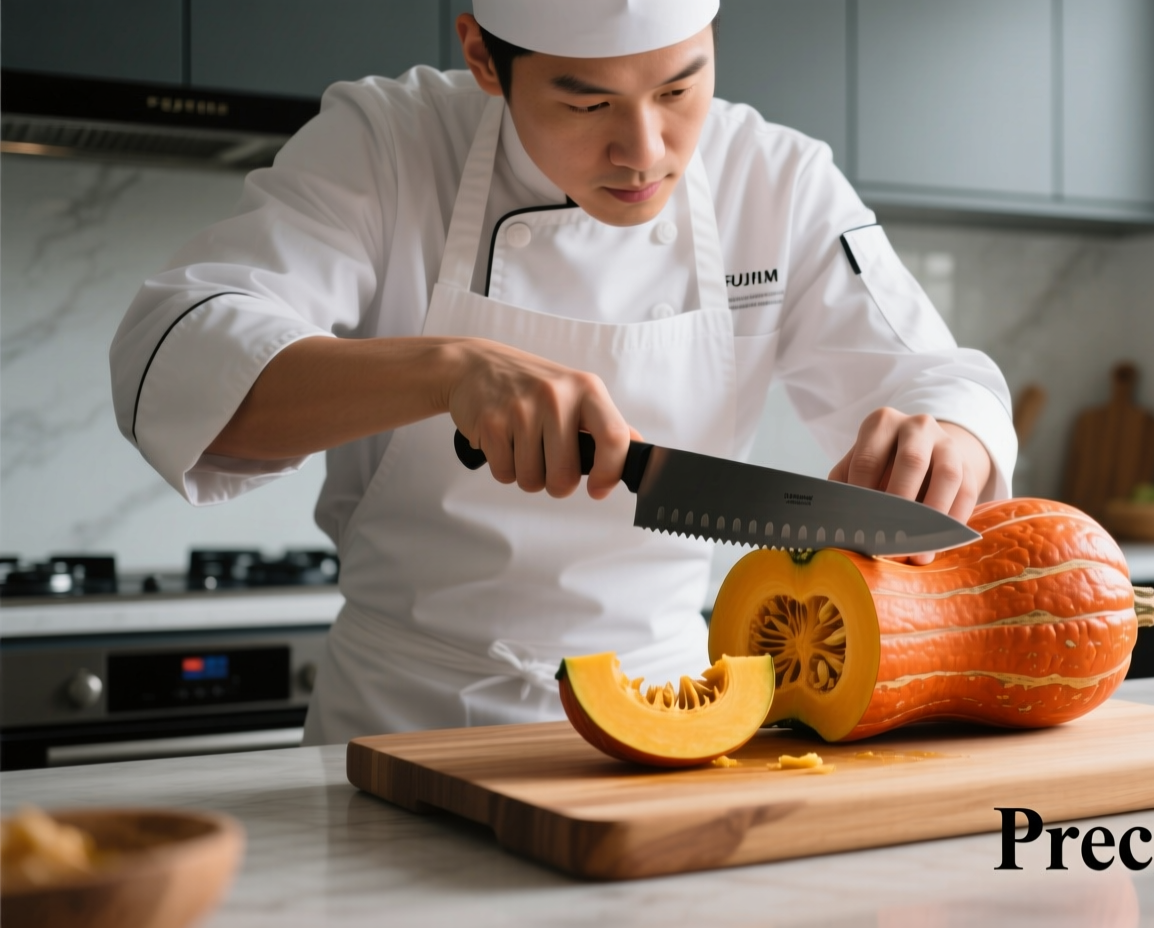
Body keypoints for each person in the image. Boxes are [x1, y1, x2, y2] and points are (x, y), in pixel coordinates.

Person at [109, 0, 1016, 744]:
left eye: (679, 87)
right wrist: (448, 368)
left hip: (671, 716)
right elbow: (181, 357)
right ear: (483, 56)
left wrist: (949, 434)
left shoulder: (777, 181)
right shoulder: (386, 144)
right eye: (587, 105)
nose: (645, 149)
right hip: (400, 722)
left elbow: (939, 377)